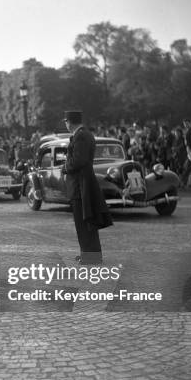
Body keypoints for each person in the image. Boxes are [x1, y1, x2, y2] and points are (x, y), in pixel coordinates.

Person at [61, 111, 113, 265]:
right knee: (87, 221)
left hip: (80, 183)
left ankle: (91, 257)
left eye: (66, 121)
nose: (65, 124)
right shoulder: (85, 134)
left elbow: (79, 160)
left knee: (83, 222)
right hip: (83, 181)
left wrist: (65, 167)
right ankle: (89, 254)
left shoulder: (81, 136)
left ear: (70, 122)